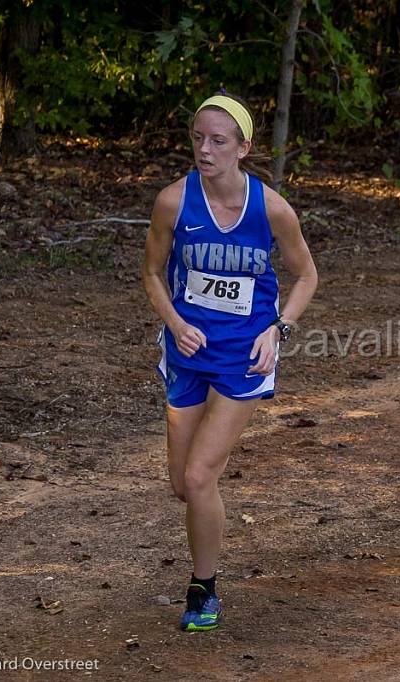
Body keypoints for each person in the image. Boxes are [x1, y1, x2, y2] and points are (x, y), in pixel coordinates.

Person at [141, 91, 317, 631]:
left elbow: (306, 276)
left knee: (198, 476)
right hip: (187, 353)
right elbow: (151, 274)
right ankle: (207, 541)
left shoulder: (271, 208)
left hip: (244, 355)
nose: (204, 149)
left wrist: (278, 331)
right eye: (197, 138)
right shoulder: (173, 201)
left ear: (243, 148)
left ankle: (204, 587)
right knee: (183, 484)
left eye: (218, 141)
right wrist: (175, 324)